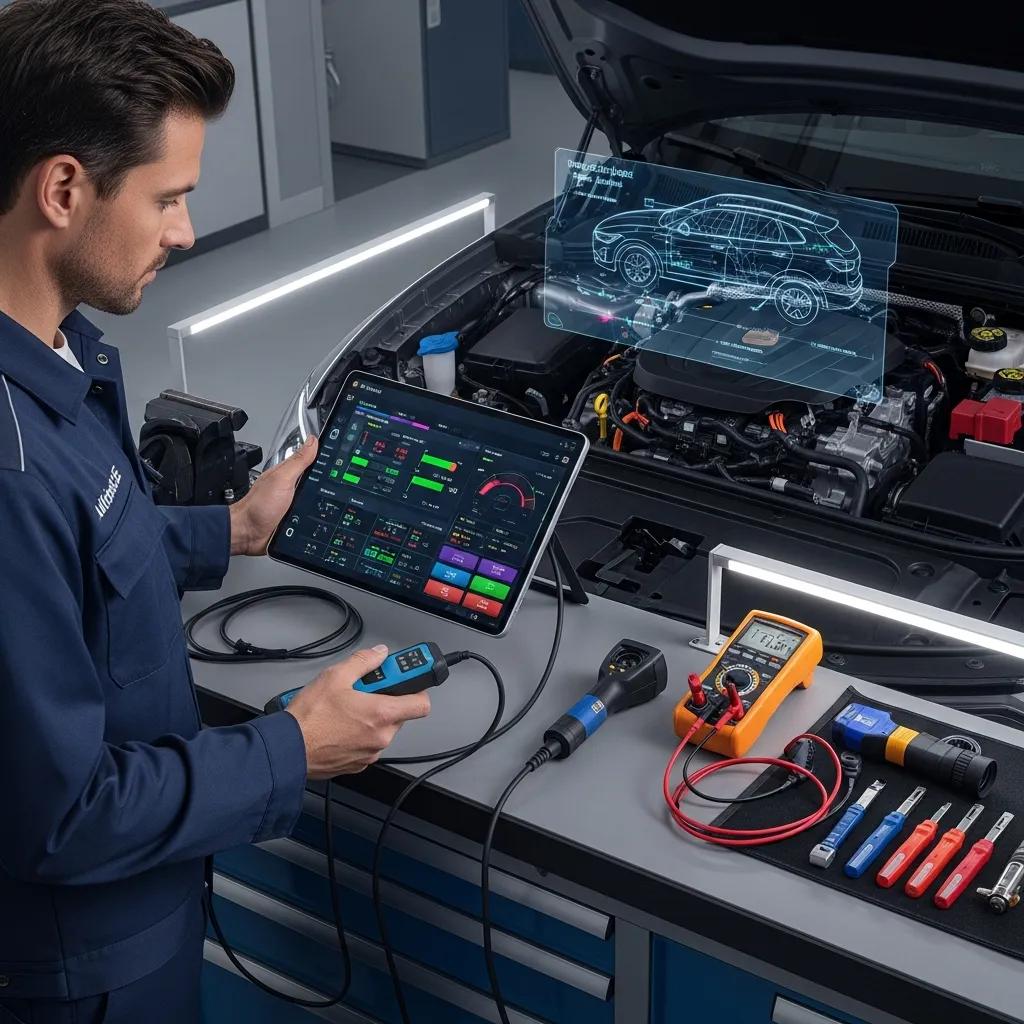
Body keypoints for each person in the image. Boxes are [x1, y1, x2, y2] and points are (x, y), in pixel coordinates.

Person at [0, 2, 432, 1021]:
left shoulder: (54, 350)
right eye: (170, 198)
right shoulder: (6, 468)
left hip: (136, 910)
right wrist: (295, 746)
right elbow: (58, 817)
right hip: (82, 966)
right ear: (63, 187)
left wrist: (233, 528)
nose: (187, 232)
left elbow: (81, 548)